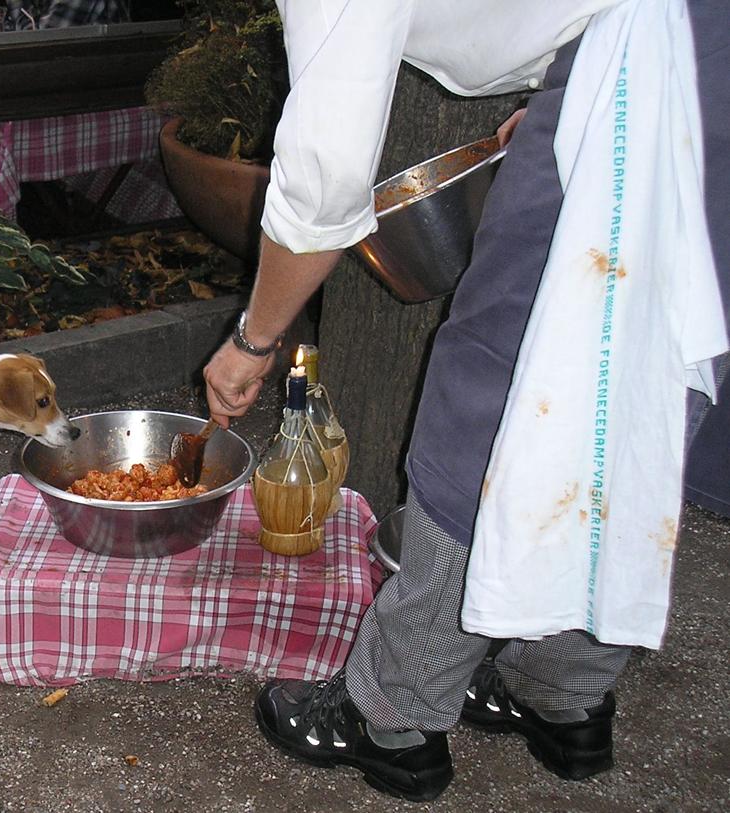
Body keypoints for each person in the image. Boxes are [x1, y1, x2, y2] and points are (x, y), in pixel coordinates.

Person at [202, 0, 728, 802]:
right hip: (698, 66)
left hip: (661, 57)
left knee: (489, 395)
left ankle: (394, 714)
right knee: (649, 385)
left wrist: (255, 338)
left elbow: (328, 170)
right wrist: (566, 94)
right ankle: (562, 692)